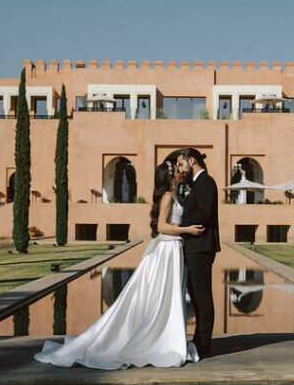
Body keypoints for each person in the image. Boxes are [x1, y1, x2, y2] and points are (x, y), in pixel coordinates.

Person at [34, 159, 203, 369]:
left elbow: (168, 223)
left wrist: (179, 226)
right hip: (167, 251)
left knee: (167, 295)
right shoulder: (168, 196)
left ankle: (165, 336)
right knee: (160, 295)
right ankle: (157, 340)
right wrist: (187, 230)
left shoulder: (176, 194)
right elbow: (161, 227)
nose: (181, 173)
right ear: (170, 177)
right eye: (178, 171)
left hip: (173, 250)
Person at [176, 148, 220, 359]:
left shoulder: (207, 182)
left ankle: (204, 345)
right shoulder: (197, 184)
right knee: (195, 296)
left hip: (201, 246)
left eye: (181, 164)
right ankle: (199, 340)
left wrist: (183, 225)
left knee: (202, 298)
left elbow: (205, 213)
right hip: (194, 246)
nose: (180, 169)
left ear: (191, 160)